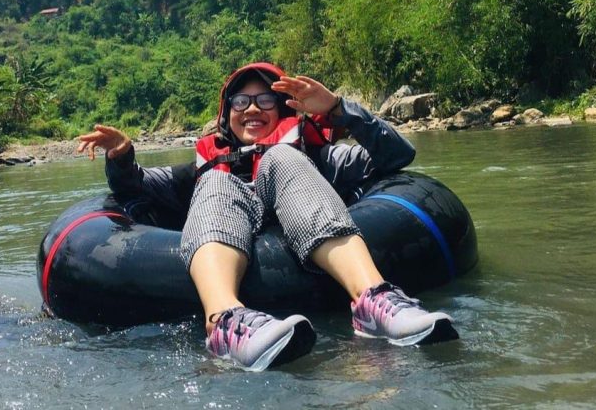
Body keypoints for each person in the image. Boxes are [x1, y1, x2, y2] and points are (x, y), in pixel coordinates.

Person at [77, 62, 457, 372]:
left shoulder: (318, 157)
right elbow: (135, 188)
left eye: (265, 100)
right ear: (227, 114)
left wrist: (338, 109)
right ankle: (225, 321)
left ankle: (374, 301)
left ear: (285, 109)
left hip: (302, 207)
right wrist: (121, 157)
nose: (252, 109)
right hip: (223, 219)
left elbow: (398, 155)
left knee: (282, 156)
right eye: (241, 101)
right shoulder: (202, 170)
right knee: (216, 181)